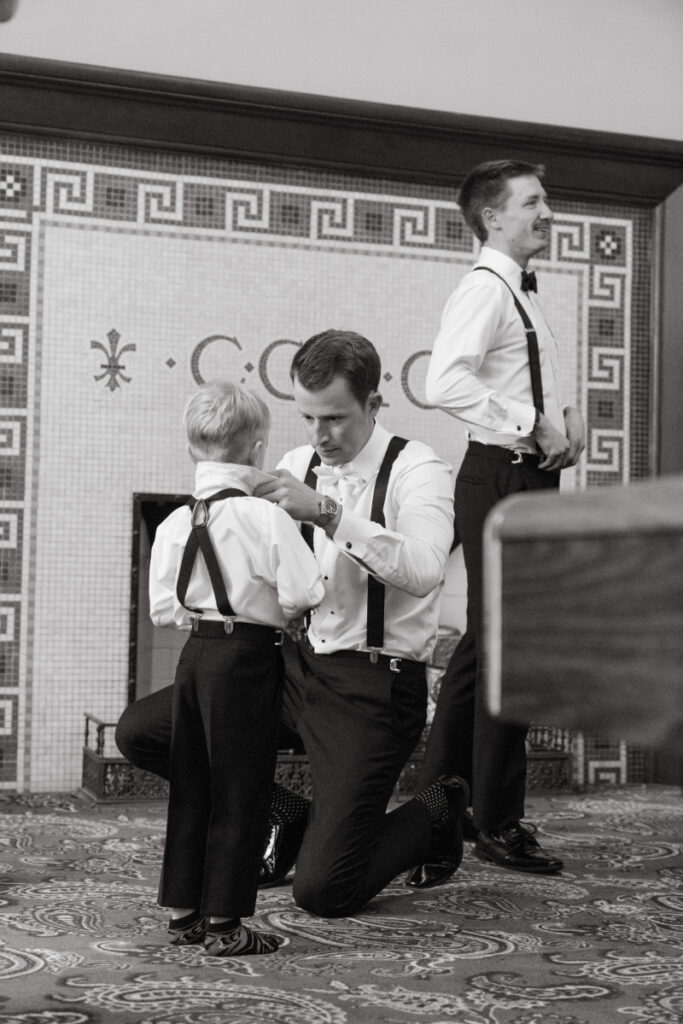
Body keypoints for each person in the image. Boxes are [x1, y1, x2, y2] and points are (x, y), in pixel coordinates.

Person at [117, 330, 467, 918]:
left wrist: (329, 514)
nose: (317, 437)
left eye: (333, 418)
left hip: (370, 686)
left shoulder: (419, 468)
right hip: (288, 667)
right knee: (143, 732)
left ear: (373, 406)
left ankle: (435, 813)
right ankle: (284, 808)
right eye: (306, 418)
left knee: (325, 890)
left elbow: (426, 569)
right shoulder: (293, 463)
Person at [406, 160, 586, 888]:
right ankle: (490, 819)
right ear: (492, 217)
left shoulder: (522, 291)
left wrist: (562, 425)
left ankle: (441, 811)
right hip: (501, 476)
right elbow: (441, 380)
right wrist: (528, 423)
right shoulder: (484, 288)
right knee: (504, 650)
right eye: (533, 202)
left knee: (489, 651)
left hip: (525, 476)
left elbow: (525, 383)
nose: (547, 211)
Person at [150, 379, 324, 954]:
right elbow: (305, 590)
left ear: (191, 448)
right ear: (255, 449)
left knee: (194, 784)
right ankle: (225, 926)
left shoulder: (176, 523)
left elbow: (161, 609)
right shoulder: (263, 516)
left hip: (194, 656)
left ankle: (184, 915)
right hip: (247, 659)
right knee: (240, 788)